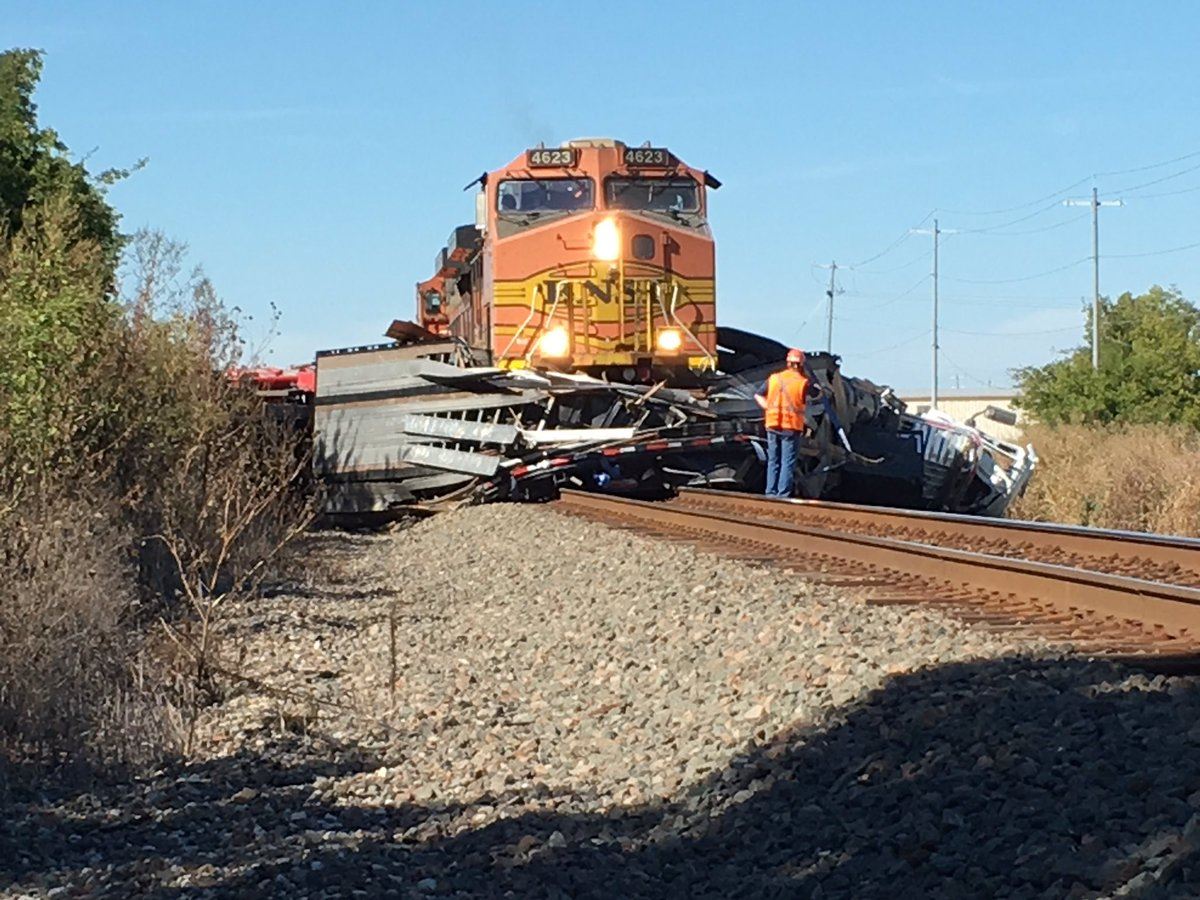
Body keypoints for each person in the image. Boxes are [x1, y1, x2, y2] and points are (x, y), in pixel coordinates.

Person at [755, 348, 813, 498]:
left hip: (773, 423)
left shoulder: (774, 378)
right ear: (801, 364)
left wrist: (768, 407)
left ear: (788, 363)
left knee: (773, 460)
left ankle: (770, 492)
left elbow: (758, 395)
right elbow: (817, 395)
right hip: (791, 426)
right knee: (787, 462)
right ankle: (782, 495)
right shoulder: (803, 382)